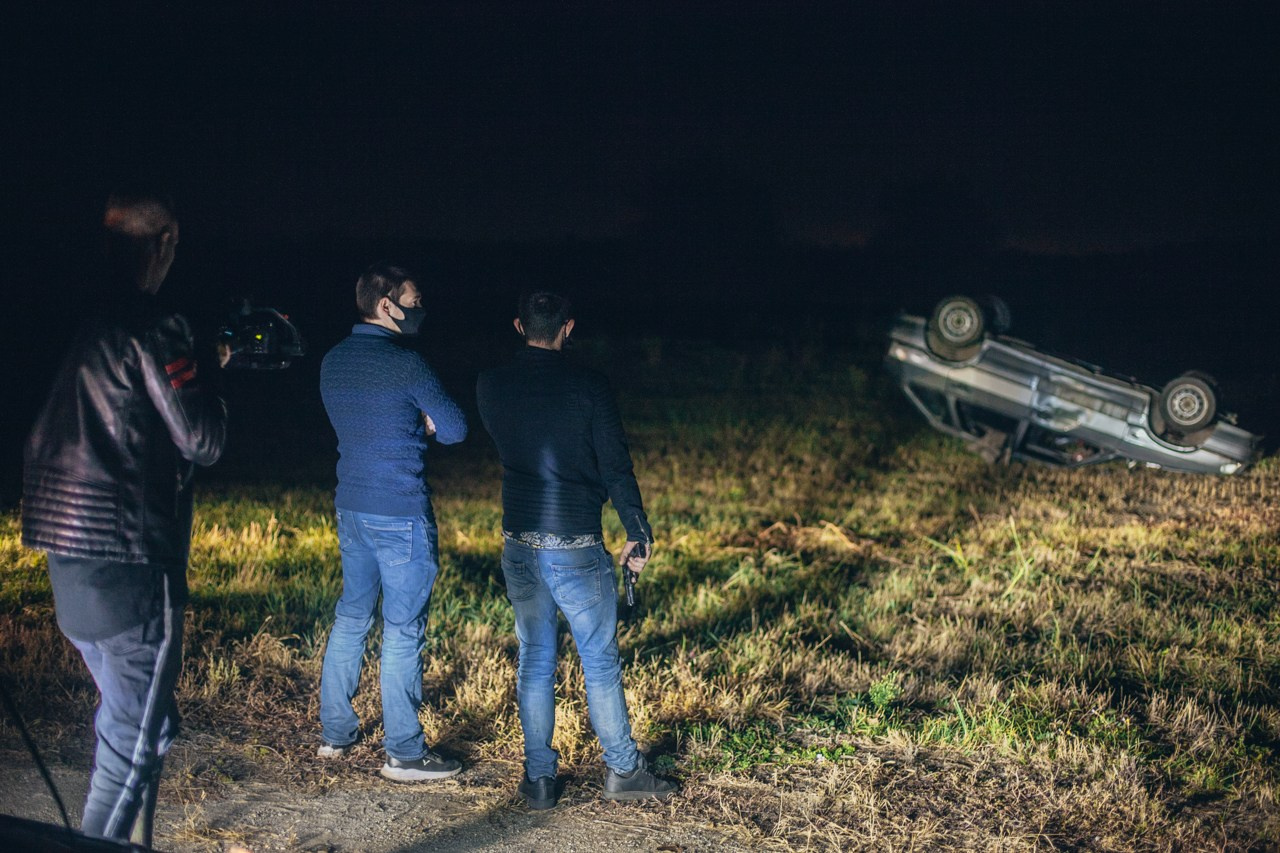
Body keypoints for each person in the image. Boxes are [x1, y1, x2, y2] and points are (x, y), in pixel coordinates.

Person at [22, 191, 228, 845]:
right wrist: (209, 380)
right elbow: (201, 439)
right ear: (164, 244)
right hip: (133, 567)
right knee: (128, 748)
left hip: (69, 567)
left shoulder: (80, 323)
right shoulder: (154, 325)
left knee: (143, 723)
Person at [475, 291, 677, 809]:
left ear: (520, 326)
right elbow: (615, 465)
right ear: (568, 328)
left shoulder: (490, 385)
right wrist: (636, 527)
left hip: (519, 542)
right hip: (576, 545)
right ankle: (624, 771)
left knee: (535, 659)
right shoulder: (589, 387)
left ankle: (539, 779)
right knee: (600, 663)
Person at [317, 263, 467, 782]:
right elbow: (454, 429)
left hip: (351, 507)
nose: (419, 308)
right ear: (387, 305)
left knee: (352, 616)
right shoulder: (408, 365)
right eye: (414, 298)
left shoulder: (332, 360)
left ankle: (335, 734)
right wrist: (421, 421)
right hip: (400, 512)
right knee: (403, 631)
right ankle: (404, 752)